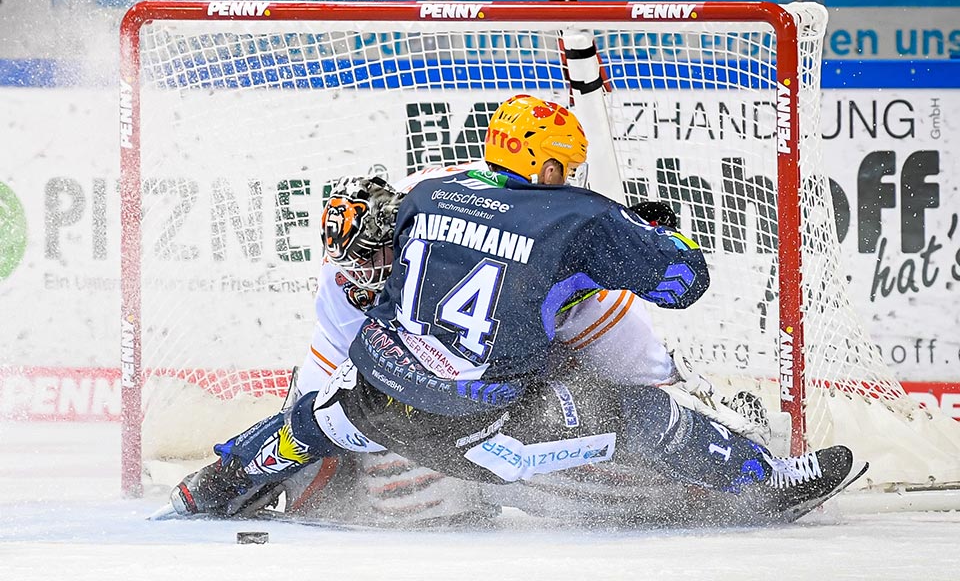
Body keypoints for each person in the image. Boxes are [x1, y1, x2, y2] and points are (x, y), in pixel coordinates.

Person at [168, 94, 863, 524]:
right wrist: (645, 234)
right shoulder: (580, 218)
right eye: (570, 166)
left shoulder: (425, 193)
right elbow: (685, 279)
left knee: (309, 425)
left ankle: (214, 484)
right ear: (552, 167)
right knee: (640, 416)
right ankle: (767, 484)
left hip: (376, 404)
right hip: (483, 436)